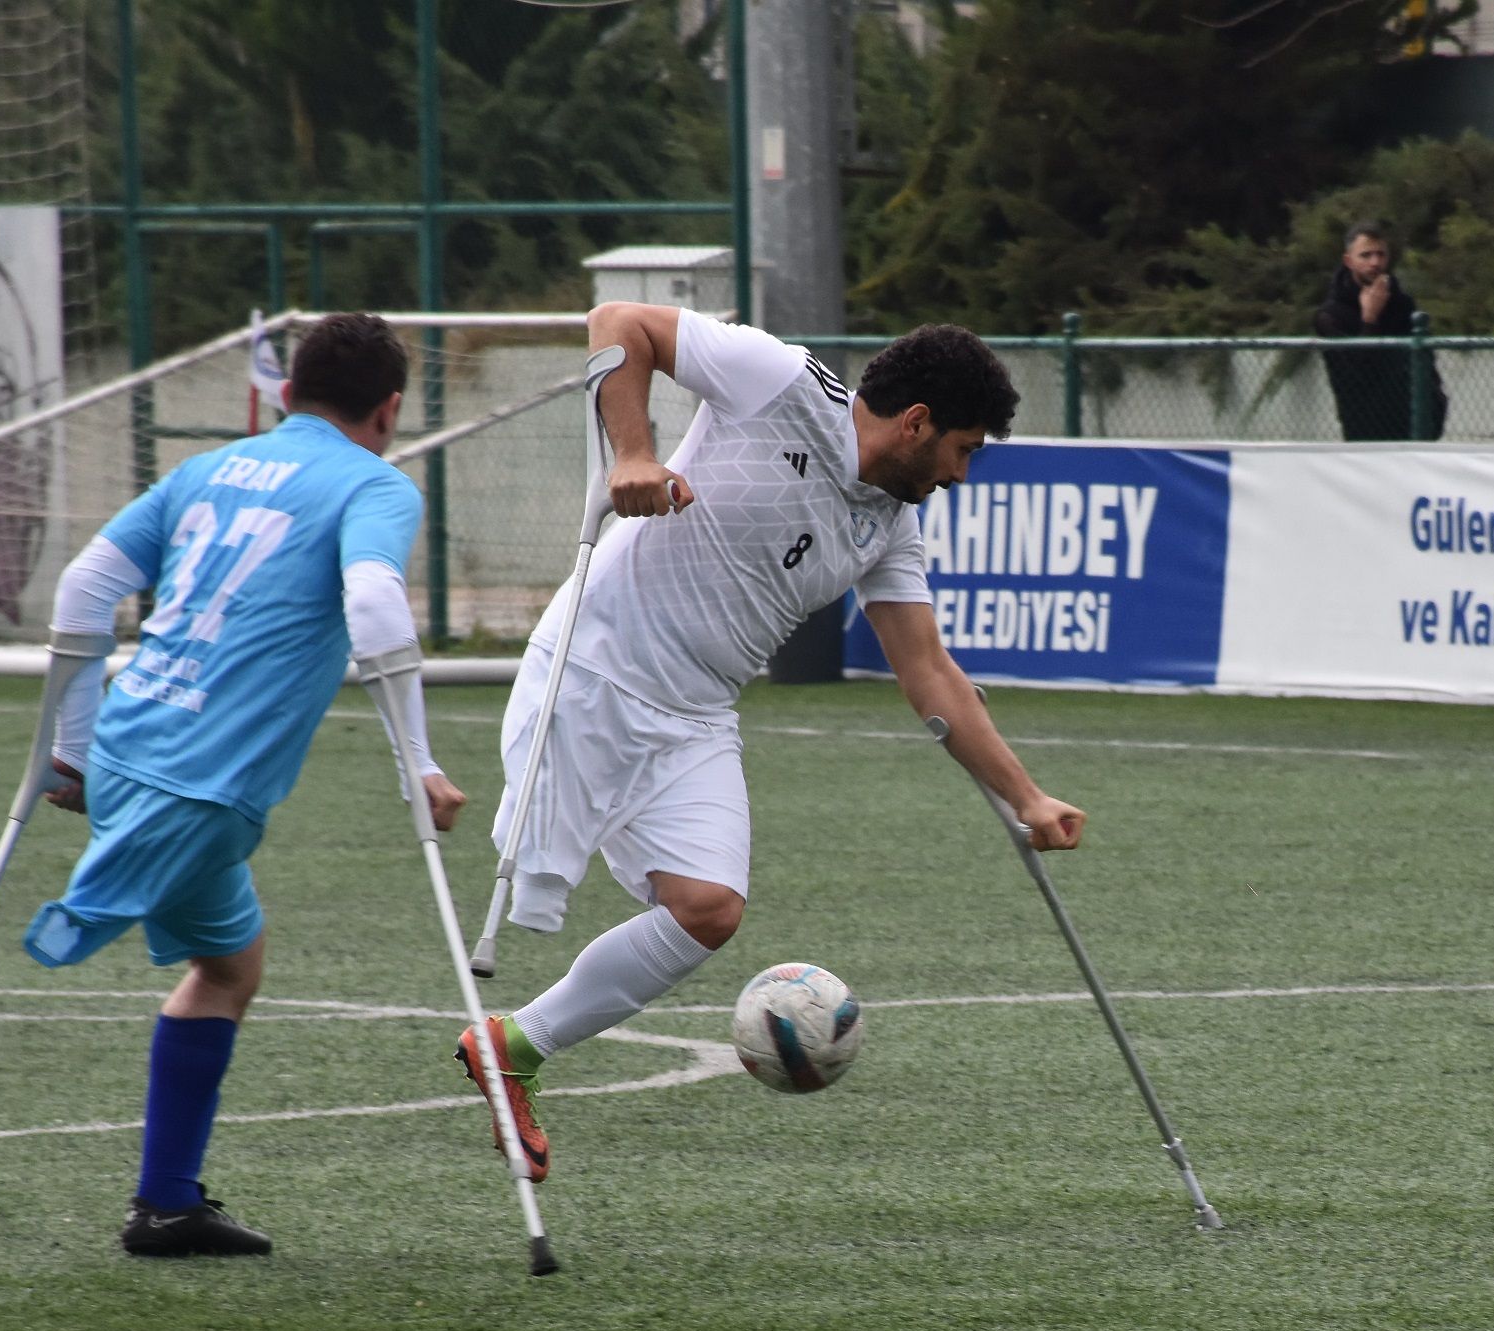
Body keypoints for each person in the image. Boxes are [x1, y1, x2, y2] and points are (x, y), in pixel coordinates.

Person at [457, 310, 1085, 1178]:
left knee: (710, 910)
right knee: (553, 887)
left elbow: (928, 671)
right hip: (594, 670)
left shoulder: (890, 526)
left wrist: (1027, 797)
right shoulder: (780, 381)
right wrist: (634, 455)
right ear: (916, 422)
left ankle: (512, 1046)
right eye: (963, 449)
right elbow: (620, 322)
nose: (960, 474)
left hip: (699, 714)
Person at [26, 311, 460, 1256]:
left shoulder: (204, 470)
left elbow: (83, 588)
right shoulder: (375, 485)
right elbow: (375, 600)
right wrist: (417, 763)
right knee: (217, 958)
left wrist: (76, 749)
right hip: (204, 788)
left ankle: (167, 1205)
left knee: (230, 966)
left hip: (130, 748)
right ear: (390, 410)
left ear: (287, 394)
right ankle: (162, 1189)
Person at [1313, 224, 1446, 441]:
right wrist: (1369, 320)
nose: (1375, 262)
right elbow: (1354, 373)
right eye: (1365, 255)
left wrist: (1436, 401)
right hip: (1366, 428)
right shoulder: (1331, 315)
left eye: (1380, 254)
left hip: (1413, 424)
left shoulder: (1402, 304)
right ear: (1349, 261)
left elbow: (1424, 360)